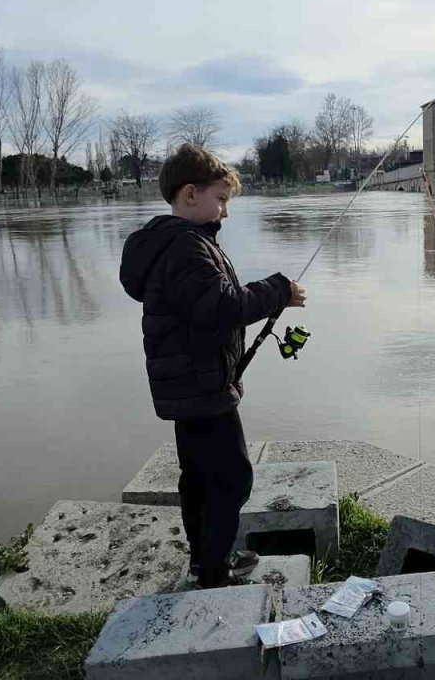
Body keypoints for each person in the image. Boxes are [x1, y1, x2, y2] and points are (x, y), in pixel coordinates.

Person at [119, 144, 307, 588]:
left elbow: (210, 307)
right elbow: (222, 307)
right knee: (231, 479)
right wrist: (280, 290)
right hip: (201, 389)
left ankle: (206, 560)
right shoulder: (185, 247)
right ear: (189, 194)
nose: (224, 211)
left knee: (200, 479)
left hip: (191, 386)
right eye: (220, 199)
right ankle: (215, 570)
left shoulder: (178, 243)